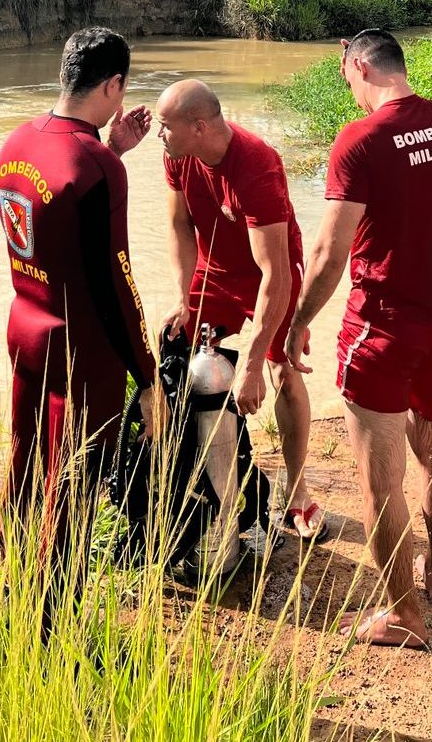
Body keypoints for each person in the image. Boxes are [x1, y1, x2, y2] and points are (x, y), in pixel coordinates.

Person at [285, 29, 432, 647]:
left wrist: (296, 322)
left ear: (359, 64)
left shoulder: (358, 141)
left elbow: (327, 253)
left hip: (383, 326)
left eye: (346, 75)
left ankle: (405, 616)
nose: (349, 89)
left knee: (379, 481)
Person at [0, 26, 158, 576]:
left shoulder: (16, 143)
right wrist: (147, 374)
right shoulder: (96, 169)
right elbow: (117, 283)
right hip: (80, 353)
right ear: (114, 85)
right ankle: (52, 622)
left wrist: (110, 147)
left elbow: (56, 226)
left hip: (26, 328)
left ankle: (9, 581)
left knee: (23, 461)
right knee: (73, 488)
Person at [156, 79, 327, 542]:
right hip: (213, 272)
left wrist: (252, 361)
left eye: (165, 127)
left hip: (269, 277)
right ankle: (204, 482)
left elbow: (275, 272)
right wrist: (182, 298)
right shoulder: (178, 155)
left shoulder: (256, 165)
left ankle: (297, 488)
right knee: (181, 357)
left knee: (282, 374)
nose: (159, 136)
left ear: (199, 126)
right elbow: (179, 226)